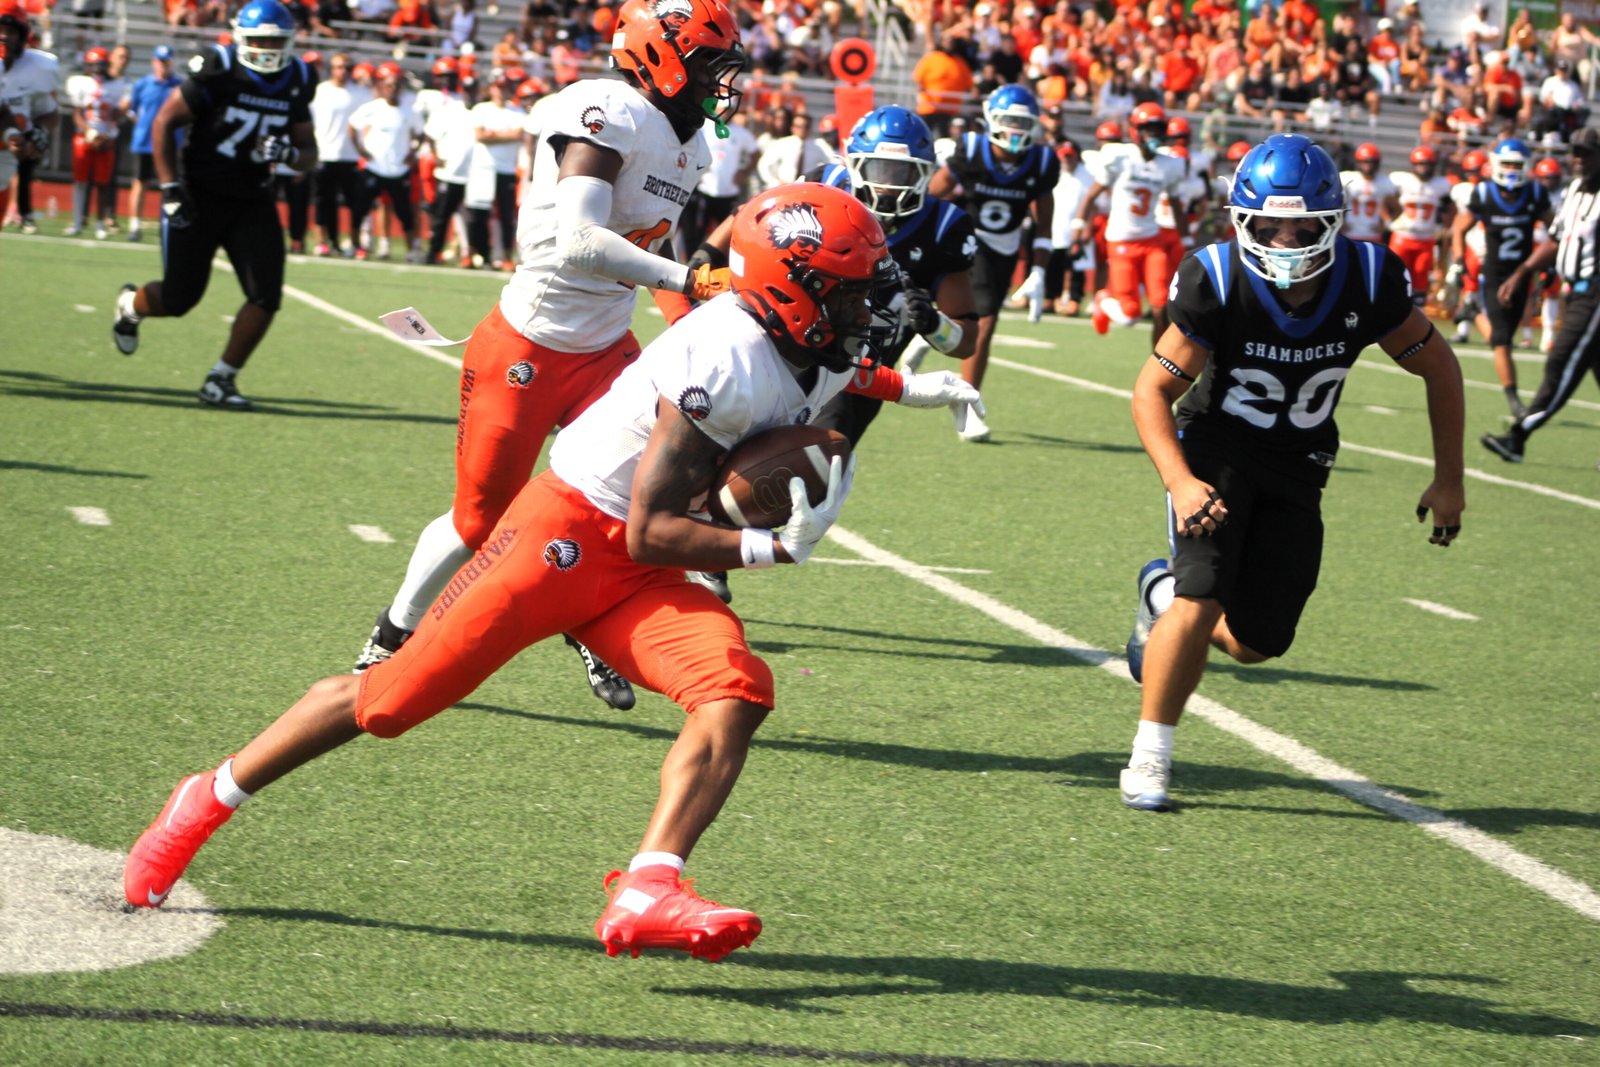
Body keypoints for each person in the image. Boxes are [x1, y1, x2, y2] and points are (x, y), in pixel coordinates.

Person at [121, 181, 978, 961]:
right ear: (794, 286)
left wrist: (912, 390)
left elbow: (834, 368)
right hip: (565, 537)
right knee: (383, 703)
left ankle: (651, 882)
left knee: (736, 689)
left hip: (636, 571)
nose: (867, 301)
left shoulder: (809, 332)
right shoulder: (722, 354)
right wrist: (771, 547)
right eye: (852, 284)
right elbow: (650, 530)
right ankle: (209, 793)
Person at [350, 0, 747, 718]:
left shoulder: (693, 146)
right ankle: (391, 635)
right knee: (478, 523)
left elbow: (649, 257)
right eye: (707, 63)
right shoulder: (605, 111)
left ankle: (587, 621)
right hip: (527, 348)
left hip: (606, 350)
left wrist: (699, 318)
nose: (719, 81)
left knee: (620, 502)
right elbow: (581, 241)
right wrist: (687, 279)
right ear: (659, 56)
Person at [1119, 133, 1466, 812]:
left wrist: (1448, 476)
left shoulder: (1367, 278)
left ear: (1331, 221)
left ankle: (1156, 597)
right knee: (1203, 590)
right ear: (1241, 220)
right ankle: (1150, 754)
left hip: (1300, 464)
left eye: (1300, 224)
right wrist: (1181, 481)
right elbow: (1150, 391)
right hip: (1215, 448)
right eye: (1268, 224)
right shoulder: (1216, 278)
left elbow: (1438, 365)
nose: (1283, 238)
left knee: (1257, 641)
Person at [109, 0, 319, 411]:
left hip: (253, 197)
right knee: (179, 299)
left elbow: (309, 149)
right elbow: (164, 122)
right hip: (199, 194)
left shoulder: (297, 77)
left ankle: (220, 379)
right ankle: (130, 304)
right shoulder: (218, 67)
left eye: (275, 40)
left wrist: (291, 155)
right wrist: (170, 188)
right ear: (242, 38)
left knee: (266, 296)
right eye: (259, 39)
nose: (267, 47)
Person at [817, 104, 979, 445]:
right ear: (854, 164)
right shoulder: (825, 188)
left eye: (900, 174)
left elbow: (965, 341)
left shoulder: (942, 227)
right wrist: (703, 262)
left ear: (924, 174)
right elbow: (746, 218)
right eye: (878, 169)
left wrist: (934, 325)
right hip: (797, 351)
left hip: (863, 376)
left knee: (824, 462)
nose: (888, 186)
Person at [927, 83, 1058, 443]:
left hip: (1005, 248)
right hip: (967, 236)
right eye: (1008, 120)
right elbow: (931, 194)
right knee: (982, 323)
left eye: (1022, 121)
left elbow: (1045, 223)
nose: (1015, 129)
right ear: (992, 120)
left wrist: (1040, 269)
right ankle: (967, 407)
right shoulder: (970, 149)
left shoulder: (1042, 162)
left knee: (986, 321)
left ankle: (930, 334)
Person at [1480, 128, 1600, 465]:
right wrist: (1522, 272)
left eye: (1586, 153)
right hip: (1574, 292)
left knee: (1561, 364)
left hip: (1594, 293)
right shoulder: (1575, 190)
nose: (1578, 159)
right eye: (1575, 152)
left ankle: (1519, 436)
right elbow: (1556, 238)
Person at [1450, 138, 1552, 420]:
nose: (1510, 169)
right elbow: (1458, 228)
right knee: (1502, 340)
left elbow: (1554, 231)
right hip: (1494, 274)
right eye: (1506, 163)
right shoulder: (1483, 193)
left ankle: (1472, 313)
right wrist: (1459, 262)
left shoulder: (1533, 193)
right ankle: (1514, 401)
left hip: (1523, 273)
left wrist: (1550, 263)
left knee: (1507, 333)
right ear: (1495, 164)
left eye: (1516, 164)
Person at [1072, 101, 1188, 347]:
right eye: (1147, 128)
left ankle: (1159, 359)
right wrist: (1078, 224)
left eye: (1157, 128)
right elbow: (1092, 194)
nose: (1153, 134)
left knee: (1161, 306)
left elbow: (1176, 204)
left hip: (1151, 240)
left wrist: (1186, 240)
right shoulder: (1121, 157)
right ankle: (1103, 299)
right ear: (1135, 130)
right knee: (1129, 316)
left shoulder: (1169, 164)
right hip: (1122, 240)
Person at [349, 61, 424, 261]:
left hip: (398, 169)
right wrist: (360, 150)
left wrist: (413, 152)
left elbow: (421, 133)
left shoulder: (410, 111)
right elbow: (352, 126)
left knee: (405, 213)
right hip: (374, 167)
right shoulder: (372, 108)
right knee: (360, 209)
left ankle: (411, 251)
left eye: (396, 84)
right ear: (381, 86)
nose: (393, 88)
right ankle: (356, 246)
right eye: (389, 84)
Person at [0, 0, 59, 230]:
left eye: (11, 31)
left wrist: (40, 131)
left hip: (6, 159)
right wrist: (12, 133)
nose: (4, 36)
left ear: (23, 36)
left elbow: (49, 111)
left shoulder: (37, 68)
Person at [309, 51, 370, 256]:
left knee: (355, 203)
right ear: (331, 69)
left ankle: (355, 242)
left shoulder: (361, 93)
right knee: (323, 201)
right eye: (339, 67)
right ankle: (322, 241)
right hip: (325, 153)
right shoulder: (320, 91)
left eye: (348, 68)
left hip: (351, 156)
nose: (344, 72)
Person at [119, 44, 181, 242]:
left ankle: (172, 224)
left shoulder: (178, 85)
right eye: (161, 62)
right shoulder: (143, 84)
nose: (164, 66)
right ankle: (135, 225)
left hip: (170, 144)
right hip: (145, 142)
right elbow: (132, 111)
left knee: (170, 184)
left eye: (167, 62)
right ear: (154, 62)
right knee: (140, 182)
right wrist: (143, 125)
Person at [63, 46, 125, 238]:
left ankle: (99, 223)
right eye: (94, 65)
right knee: (80, 181)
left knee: (102, 182)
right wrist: (90, 132)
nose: (97, 69)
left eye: (101, 65)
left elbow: (115, 114)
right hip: (84, 137)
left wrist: (110, 133)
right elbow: (77, 113)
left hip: (106, 138)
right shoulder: (80, 82)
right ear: (88, 65)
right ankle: (77, 221)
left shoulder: (116, 85)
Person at [1388, 145, 1452, 306]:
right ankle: (1390, 309)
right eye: (1420, 164)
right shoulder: (1401, 181)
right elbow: (1384, 199)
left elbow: (1450, 208)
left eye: (1428, 164)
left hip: (1425, 239)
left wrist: (1444, 227)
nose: (1424, 168)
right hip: (1402, 236)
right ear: (1413, 165)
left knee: (1420, 278)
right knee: (1394, 275)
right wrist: (1388, 220)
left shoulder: (1441, 184)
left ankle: (1418, 317)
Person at [1339, 143, 1394, 245]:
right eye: (1365, 162)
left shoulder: (1384, 183)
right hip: (1350, 233)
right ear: (1358, 162)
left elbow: (1396, 208)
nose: (1368, 165)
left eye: (1371, 162)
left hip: (1372, 234)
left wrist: (1386, 225)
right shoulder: (1347, 179)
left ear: (1377, 163)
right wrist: (1340, 222)